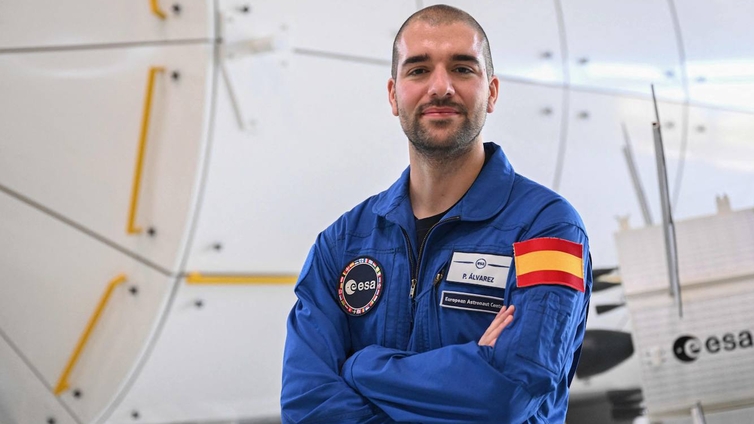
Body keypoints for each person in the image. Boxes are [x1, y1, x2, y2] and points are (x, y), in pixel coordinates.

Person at [281, 4, 592, 423]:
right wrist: (468, 368)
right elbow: (307, 403)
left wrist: (359, 367)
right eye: (418, 70)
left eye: (463, 69)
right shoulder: (342, 244)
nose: (441, 87)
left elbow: (508, 392)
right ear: (394, 95)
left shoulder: (548, 230)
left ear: (492, 92)